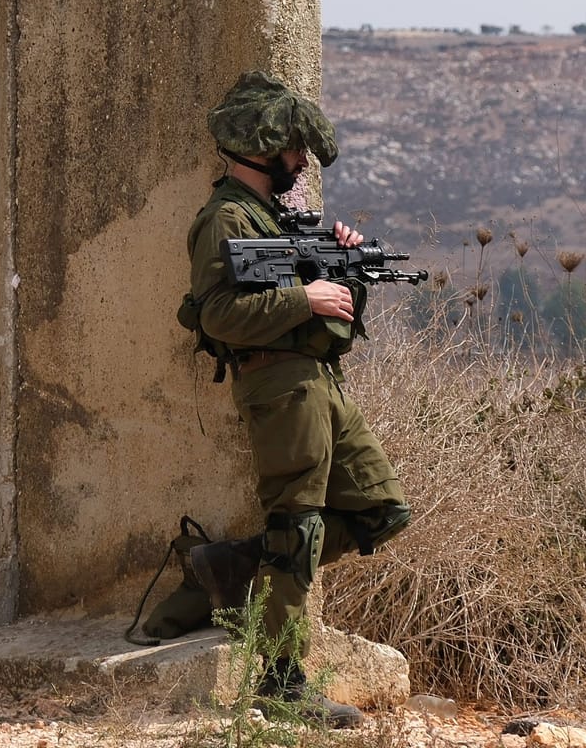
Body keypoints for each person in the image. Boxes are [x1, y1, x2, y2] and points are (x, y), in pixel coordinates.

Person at [180, 71, 412, 729]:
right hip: (279, 386)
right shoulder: (225, 218)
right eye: (294, 150)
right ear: (263, 147)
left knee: (382, 510)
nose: (302, 162)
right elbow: (217, 313)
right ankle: (282, 681)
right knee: (300, 520)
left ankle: (238, 564)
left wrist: (341, 270)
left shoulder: (278, 219)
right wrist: (303, 297)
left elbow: (335, 315)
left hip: (318, 382)